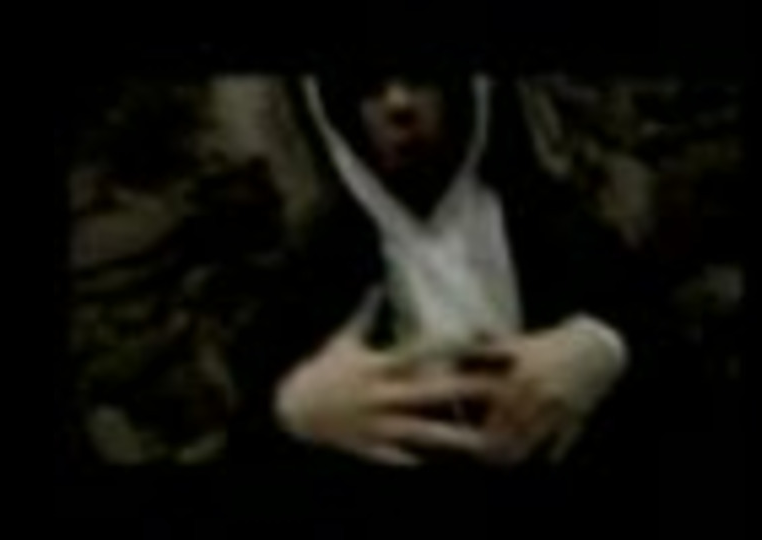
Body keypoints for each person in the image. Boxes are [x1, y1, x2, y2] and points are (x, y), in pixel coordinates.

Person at [222, 73, 674, 532]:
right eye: (370, 86)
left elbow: (664, 347)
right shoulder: (315, 273)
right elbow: (243, 453)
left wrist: (605, 347)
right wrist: (293, 414)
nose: (399, 105)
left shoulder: (552, 225)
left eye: (421, 78)